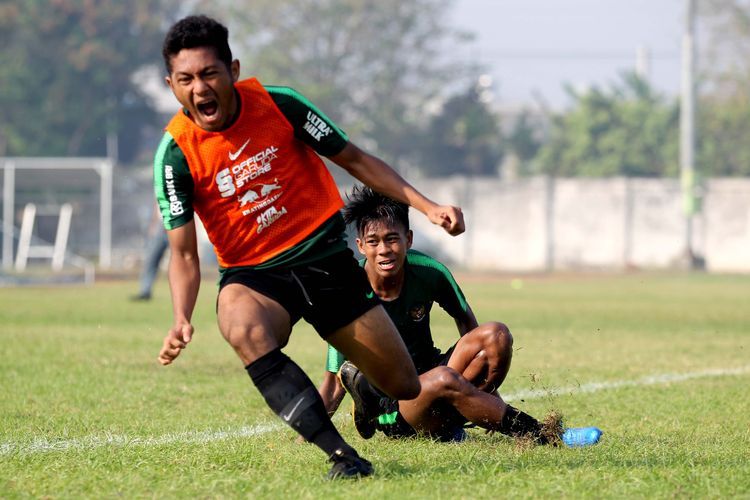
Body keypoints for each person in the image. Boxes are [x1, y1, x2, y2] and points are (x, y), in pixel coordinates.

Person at [154, 15, 466, 480]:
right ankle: (343, 457)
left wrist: (425, 205)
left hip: (326, 262)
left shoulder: (279, 106)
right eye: (186, 79)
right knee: (242, 325)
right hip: (256, 276)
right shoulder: (175, 154)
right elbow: (181, 253)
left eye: (209, 73)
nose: (199, 88)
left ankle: (361, 389)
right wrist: (181, 316)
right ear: (172, 84)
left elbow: (356, 159)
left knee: (402, 385)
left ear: (233, 70)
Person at [319, 186, 602, 447]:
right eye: (374, 242)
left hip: (435, 373)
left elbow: (467, 324)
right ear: (360, 245)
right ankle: (550, 436)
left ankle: (453, 421)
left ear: (408, 239)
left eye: (392, 239)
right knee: (444, 378)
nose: (384, 250)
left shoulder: (429, 271)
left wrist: (490, 396)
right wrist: (312, 432)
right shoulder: (348, 292)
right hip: (396, 407)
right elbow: (335, 378)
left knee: (496, 334)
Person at [131, 202, 169, 301]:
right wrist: (154, 224)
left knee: (181, 260)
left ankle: (184, 296)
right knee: (150, 260)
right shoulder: (159, 187)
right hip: (161, 227)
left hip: (178, 223)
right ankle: (145, 291)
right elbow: (157, 203)